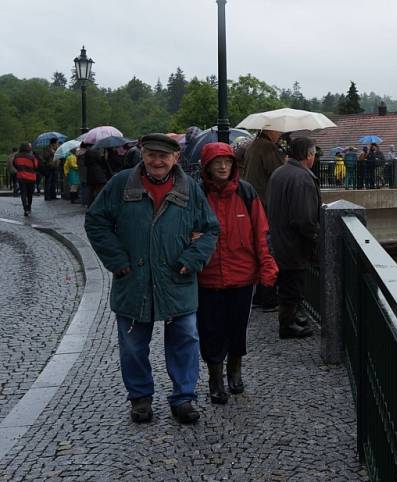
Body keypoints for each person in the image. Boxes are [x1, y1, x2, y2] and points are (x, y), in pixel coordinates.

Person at [84, 134, 220, 424]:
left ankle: (184, 398)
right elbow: (96, 221)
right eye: (151, 155)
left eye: (164, 156)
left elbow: (209, 230)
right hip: (134, 280)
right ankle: (140, 398)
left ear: (175, 159)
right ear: (143, 155)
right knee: (132, 345)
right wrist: (117, 261)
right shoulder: (122, 184)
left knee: (185, 339)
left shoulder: (190, 189)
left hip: (177, 279)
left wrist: (193, 259)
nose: (157, 161)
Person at [197, 143, 278, 404]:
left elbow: (261, 233)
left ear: (234, 165)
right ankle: (215, 378)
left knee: (237, 327)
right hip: (208, 277)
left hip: (242, 276)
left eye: (227, 162)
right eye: (217, 162)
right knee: (210, 329)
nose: (222, 166)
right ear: (207, 166)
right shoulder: (197, 195)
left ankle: (235, 371)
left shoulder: (246, 192)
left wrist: (267, 266)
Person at [266, 136, 321, 339]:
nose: (314, 158)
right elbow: (304, 219)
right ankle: (287, 325)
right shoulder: (303, 178)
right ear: (308, 155)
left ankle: (291, 319)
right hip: (293, 244)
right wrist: (317, 237)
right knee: (292, 286)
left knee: (288, 284)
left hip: (279, 239)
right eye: (314, 154)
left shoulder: (279, 172)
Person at [242, 130, 284, 310]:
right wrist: (285, 164)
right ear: (270, 131)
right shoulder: (267, 147)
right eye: (278, 132)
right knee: (268, 250)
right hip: (265, 205)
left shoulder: (253, 145)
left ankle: (259, 295)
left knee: (260, 249)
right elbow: (277, 174)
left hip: (253, 203)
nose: (281, 134)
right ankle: (267, 295)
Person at [12, 143, 38, 217]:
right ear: (28, 148)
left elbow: (14, 164)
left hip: (21, 177)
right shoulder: (31, 157)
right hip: (31, 177)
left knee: (23, 193)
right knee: (30, 194)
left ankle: (25, 209)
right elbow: (35, 166)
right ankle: (29, 207)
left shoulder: (16, 156)